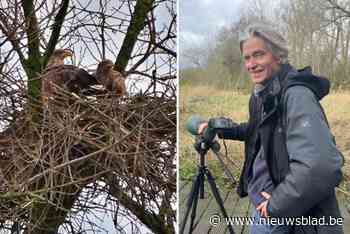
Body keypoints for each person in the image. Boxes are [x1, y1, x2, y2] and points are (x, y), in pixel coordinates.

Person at [198, 23, 344, 234]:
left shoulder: (296, 95)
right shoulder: (263, 92)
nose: (251, 64)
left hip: (287, 212)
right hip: (267, 203)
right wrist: (220, 129)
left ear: (278, 56)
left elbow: (322, 166)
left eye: (258, 55)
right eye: (247, 58)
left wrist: (277, 205)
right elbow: (260, 130)